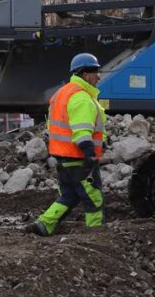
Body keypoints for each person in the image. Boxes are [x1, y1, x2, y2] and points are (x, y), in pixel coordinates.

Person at [25, 53, 106, 236]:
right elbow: (82, 132)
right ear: (85, 74)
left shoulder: (61, 94)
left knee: (69, 196)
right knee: (94, 199)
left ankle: (44, 224)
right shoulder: (82, 98)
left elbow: (54, 127)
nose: (98, 76)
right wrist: (90, 154)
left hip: (63, 158)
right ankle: (97, 236)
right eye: (95, 71)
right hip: (79, 159)